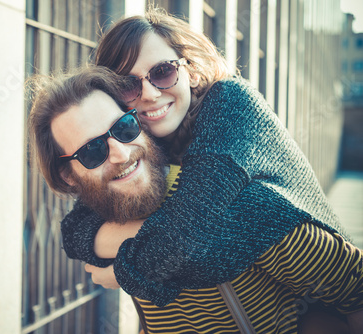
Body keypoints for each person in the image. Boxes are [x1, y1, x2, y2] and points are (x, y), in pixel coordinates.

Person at [42, 8, 363, 334]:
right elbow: (76, 230)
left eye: (163, 72)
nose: (150, 94)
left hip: (323, 299)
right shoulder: (140, 148)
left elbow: (186, 237)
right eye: (128, 85)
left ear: (191, 71)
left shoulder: (232, 105)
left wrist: (123, 269)